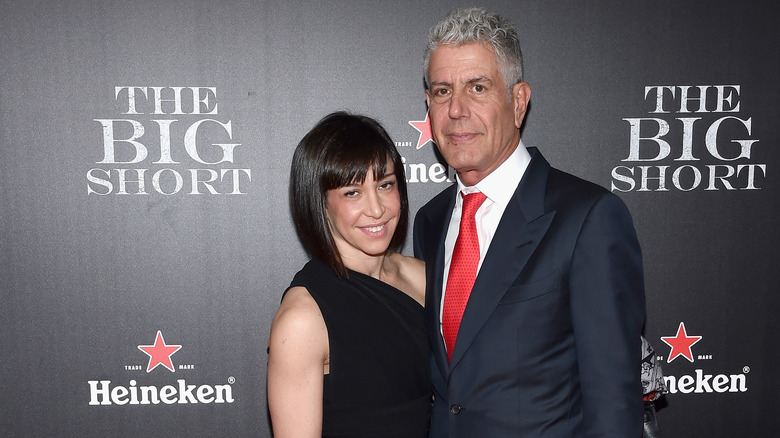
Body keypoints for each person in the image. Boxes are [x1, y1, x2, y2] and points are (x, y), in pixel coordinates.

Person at [412, 8, 646, 437]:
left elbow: (614, 402)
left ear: (518, 101)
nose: (456, 109)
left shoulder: (588, 218)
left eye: (477, 87)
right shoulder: (429, 222)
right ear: (428, 104)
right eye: (442, 91)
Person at [267, 112, 431, 437]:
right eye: (352, 193)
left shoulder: (423, 277)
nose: (376, 208)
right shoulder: (303, 319)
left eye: (385, 184)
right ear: (320, 203)